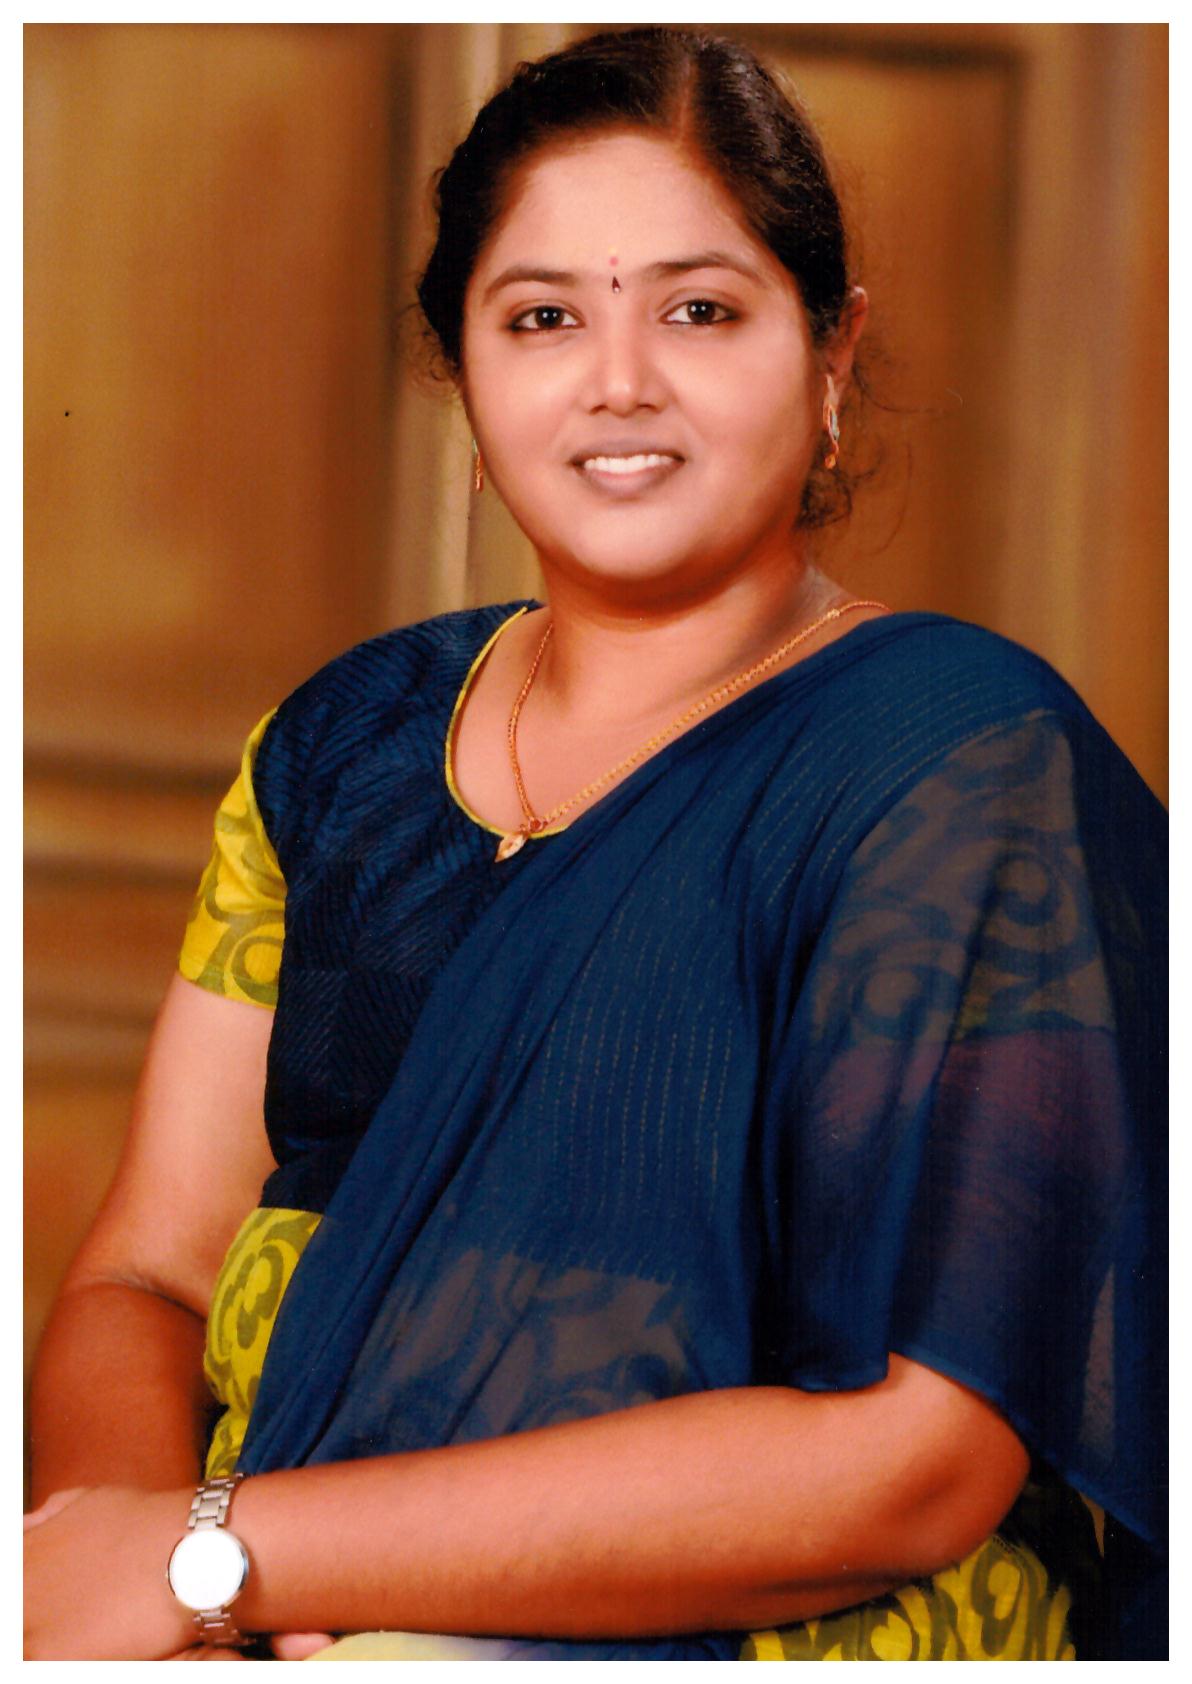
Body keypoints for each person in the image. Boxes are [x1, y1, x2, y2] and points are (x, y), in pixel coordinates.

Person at [24, 26, 1165, 1662]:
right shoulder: (341, 748)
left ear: (831, 354)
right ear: (463, 367)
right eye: (543, 317)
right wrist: (144, 1589)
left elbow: (918, 1457)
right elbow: (147, 1273)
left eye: (700, 312)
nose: (619, 381)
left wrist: (222, 1557)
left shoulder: (958, 761)